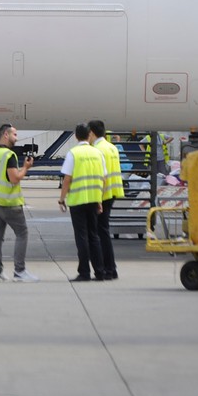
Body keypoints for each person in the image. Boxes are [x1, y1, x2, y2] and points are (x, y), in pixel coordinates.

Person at [0, 124, 38, 282]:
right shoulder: (9, 156)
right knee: (22, 234)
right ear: (5, 135)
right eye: (14, 134)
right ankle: (19, 271)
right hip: (10, 203)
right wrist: (26, 167)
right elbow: (14, 178)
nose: (17, 137)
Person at [58, 124, 104, 281]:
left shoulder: (73, 153)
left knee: (82, 237)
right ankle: (99, 272)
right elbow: (102, 178)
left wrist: (62, 199)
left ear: (76, 136)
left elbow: (67, 179)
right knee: (94, 236)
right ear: (89, 135)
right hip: (93, 199)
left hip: (78, 201)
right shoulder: (97, 153)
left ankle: (84, 272)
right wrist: (99, 200)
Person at [87, 120, 123, 280]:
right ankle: (111, 268)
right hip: (114, 191)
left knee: (100, 233)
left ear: (92, 133)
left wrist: (97, 199)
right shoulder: (111, 147)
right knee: (104, 231)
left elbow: (100, 175)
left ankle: (108, 269)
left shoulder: (97, 150)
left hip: (103, 194)